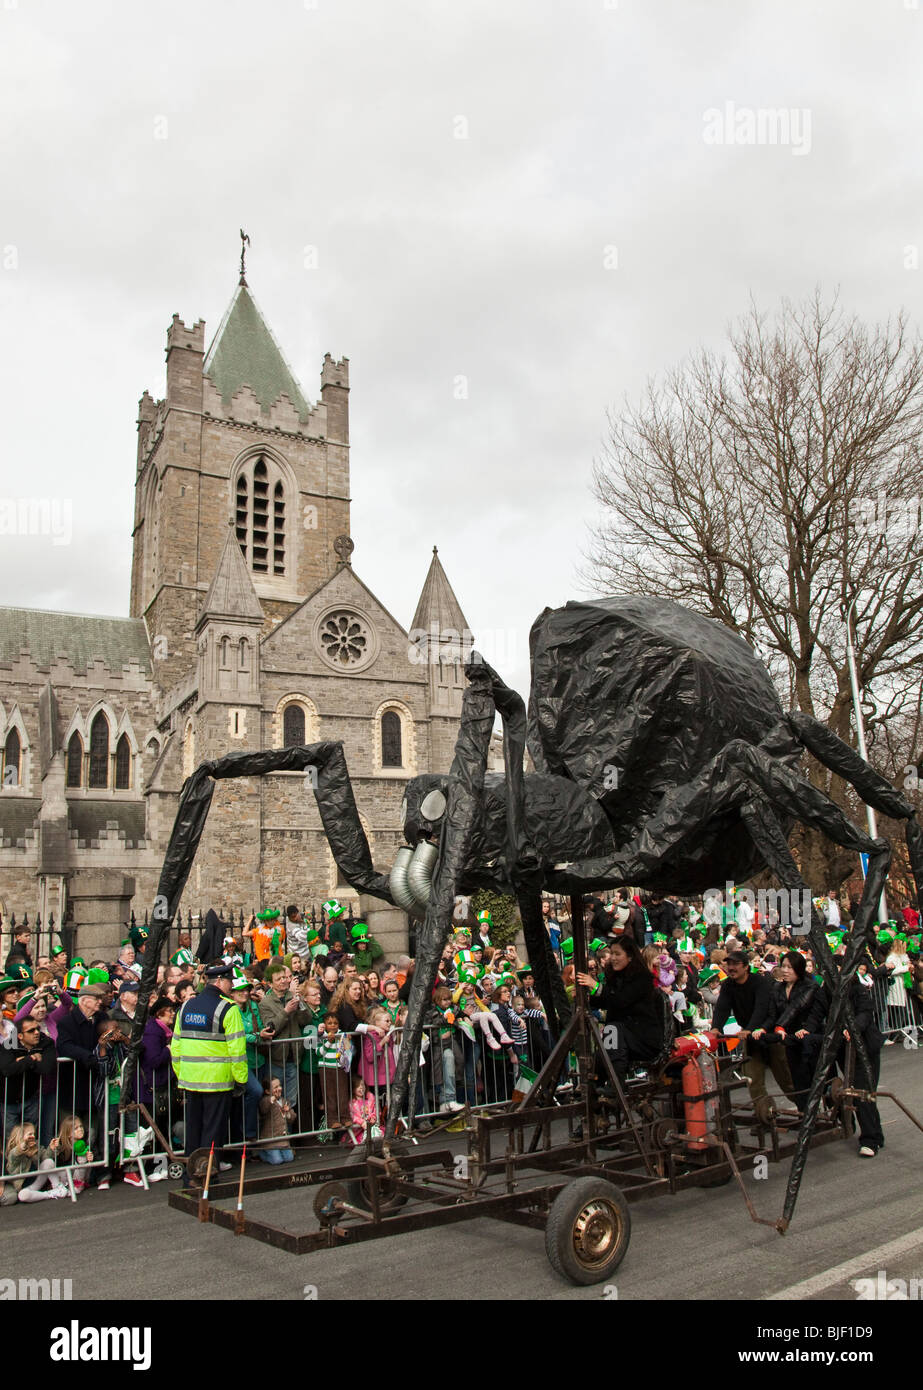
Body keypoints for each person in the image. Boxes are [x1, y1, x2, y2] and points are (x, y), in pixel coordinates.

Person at [169, 962, 247, 1167]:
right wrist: (241, 1079)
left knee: (193, 1130)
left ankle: (191, 1176)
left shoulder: (186, 1006)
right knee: (213, 1132)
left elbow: (175, 1045)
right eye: (230, 981)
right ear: (220, 981)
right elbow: (237, 1051)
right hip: (217, 1081)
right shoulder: (228, 1009)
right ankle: (207, 1176)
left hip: (190, 1080)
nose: (232, 986)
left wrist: (181, 1072)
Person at [577, 935, 665, 1080]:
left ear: (629, 956)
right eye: (611, 953)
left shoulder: (642, 978)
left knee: (613, 1032)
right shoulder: (615, 976)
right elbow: (608, 1001)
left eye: (617, 954)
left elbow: (620, 1000)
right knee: (598, 1059)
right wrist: (589, 998)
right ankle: (594, 1091)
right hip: (620, 1037)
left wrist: (596, 986)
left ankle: (616, 1086)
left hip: (643, 1038)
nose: (613, 958)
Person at [712, 951, 790, 1109]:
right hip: (750, 1037)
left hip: (769, 1034)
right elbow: (722, 1008)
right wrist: (716, 1027)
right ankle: (765, 1115)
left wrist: (749, 1029)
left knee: (785, 1079)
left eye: (735, 964)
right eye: (729, 965)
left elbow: (761, 1008)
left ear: (746, 967)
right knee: (753, 1079)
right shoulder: (728, 985)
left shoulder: (759, 982)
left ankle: (805, 1109)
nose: (731, 968)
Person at [257, 1076, 295, 1164]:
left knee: (289, 1158)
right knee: (277, 1160)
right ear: (267, 1091)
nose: (279, 1088)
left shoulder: (284, 1101)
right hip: (270, 1139)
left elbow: (292, 1117)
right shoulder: (266, 1100)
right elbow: (263, 1108)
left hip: (282, 1140)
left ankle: (280, 1152)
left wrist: (287, 1112)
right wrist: (271, 1100)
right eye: (275, 1087)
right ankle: (262, 1152)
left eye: (280, 1086)